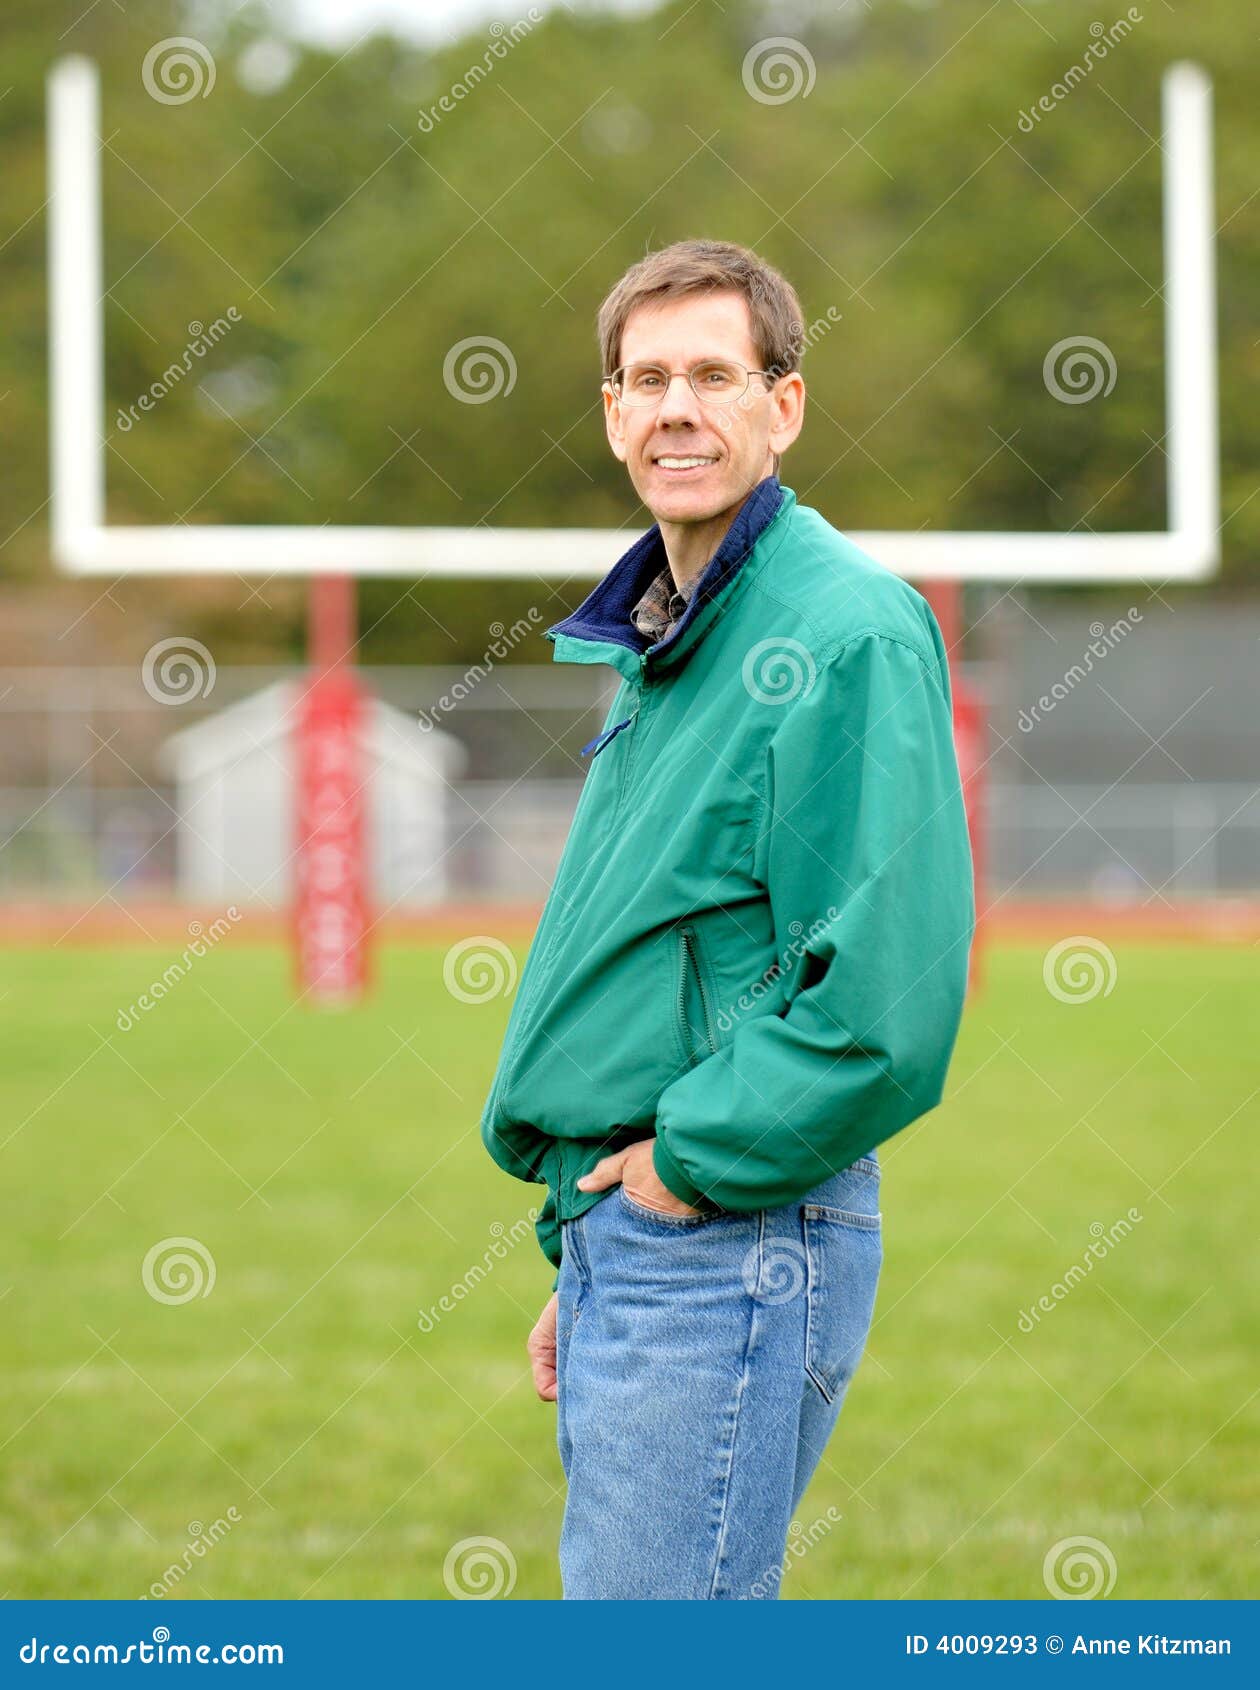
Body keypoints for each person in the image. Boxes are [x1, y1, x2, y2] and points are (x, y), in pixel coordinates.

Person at [480, 238, 974, 1599]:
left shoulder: (843, 629)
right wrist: (598, 1249)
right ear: (612, 414)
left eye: (713, 373)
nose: (676, 406)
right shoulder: (671, 635)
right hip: (654, 1244)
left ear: (785, 404)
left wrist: (681, 1175)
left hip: (734, 1232)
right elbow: (685, 960)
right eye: (647, 379)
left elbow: (891, 994)